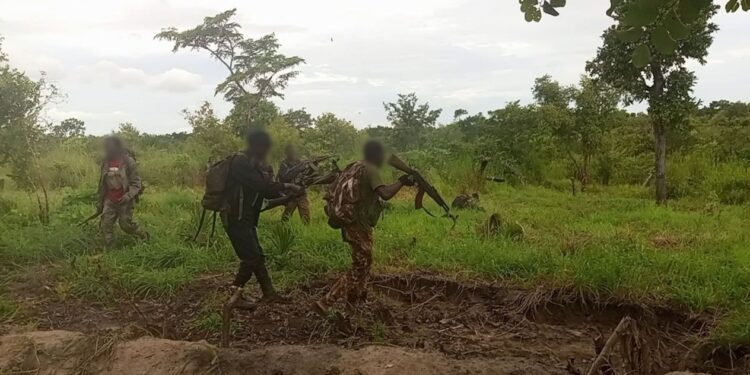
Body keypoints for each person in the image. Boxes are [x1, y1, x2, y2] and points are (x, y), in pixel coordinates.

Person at [314, 140, 414, 313]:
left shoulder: (354, 166)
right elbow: (385, 193)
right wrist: (402, 181)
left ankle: (353, 306)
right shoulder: (370, 169)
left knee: (363, 263)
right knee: (360, 266)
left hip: (348, 220)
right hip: (357, 224)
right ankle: (326, 302)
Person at [223, 130, 303, 309]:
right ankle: (235, 294)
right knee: (251, 257)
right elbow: (263, 187)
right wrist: (288, 185)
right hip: (236, 218)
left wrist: (287, 194)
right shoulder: (240, 162)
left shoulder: (251, 162)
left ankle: (269, 294)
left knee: (257, 256)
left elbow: (265, 191)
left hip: (246, 218)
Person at [97, 136, 149, 247]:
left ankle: (143, 235)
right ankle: (110, 249)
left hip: (125, 199)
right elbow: (102, 183)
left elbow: (136, 183)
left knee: (125, 225)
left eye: (112, 146)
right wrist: (100, 202)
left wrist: (128, 196)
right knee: (106, 225)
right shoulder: (105, 162)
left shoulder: (128, 162)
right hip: (110, 199)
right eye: (108, 147)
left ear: (118, 147)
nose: (110, 149)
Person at [277, 144, 311, 224]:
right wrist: (298, 170)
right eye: (290, 152)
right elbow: (285, 177)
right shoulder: (284, 164)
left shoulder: (299, 162)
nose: (292, 153)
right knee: (286, 216)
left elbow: (306, 176)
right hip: (291, 194)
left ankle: (306, 232)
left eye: (293, 151)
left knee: (306, 216)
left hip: (301, 193)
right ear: (286, 153)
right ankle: (282, 232)